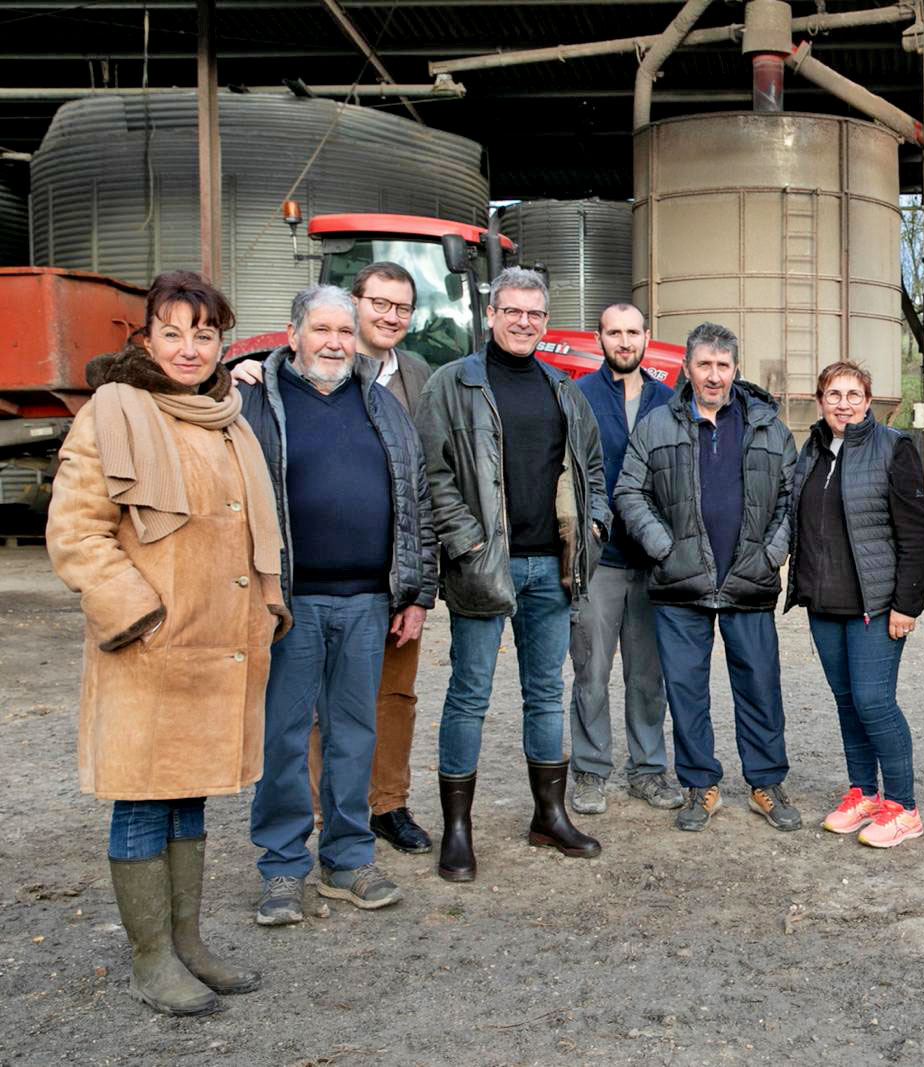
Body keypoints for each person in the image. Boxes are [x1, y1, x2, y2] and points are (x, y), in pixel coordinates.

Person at [47, 271, 288, 1015]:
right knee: (144, 803)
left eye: (204, 333)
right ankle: (151, 957)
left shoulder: (228, 417)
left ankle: (188, 941)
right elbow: (76, 532)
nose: (189, 348)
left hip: (216, 649)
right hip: (151, 652)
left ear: (221, 342)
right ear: (146, 337)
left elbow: (251, 530)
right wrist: (139, 615)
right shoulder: (111, 411)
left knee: (189, 799)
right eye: (174, 332)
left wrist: (268, 606)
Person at [239, 285, 436, 924]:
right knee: (286, 739)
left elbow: (416, 507)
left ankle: (348, 860)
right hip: (289, 605)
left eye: (344, 333)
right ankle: (281, 868)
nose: (334, 343)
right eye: (321, 330)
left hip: (367, 604)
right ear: (292, 334)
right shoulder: (253, 403)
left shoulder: (383, 408)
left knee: (355, 735)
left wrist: (414, 594)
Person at [414, 267, 609, 882]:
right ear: (491, 315)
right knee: (470, 695)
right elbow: (433, 473)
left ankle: (548, 815)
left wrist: (593, 526)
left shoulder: (563, 389)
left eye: (535, 314)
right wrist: (467, 542)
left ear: (544, 323)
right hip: (484, 567)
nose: (524, 322)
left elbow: (592, 470)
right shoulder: (453, 385)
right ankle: (457, 829)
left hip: (552, 569)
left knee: (545, 694)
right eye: (513, 311)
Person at [612, 321, 801, 833]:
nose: (713, 376)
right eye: (704, 365)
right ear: (687, 368)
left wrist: (771, 555)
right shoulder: (656, 425)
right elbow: (630, 493)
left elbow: (792, 498)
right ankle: (701, 785)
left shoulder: (768, 426)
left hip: (749, 581)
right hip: (681, 585)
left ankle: (765, 783)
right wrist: (664, 549)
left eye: (723, 365)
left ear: (735, 369)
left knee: (760, 686)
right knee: (686, 691)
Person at [785, 361, 924, 848]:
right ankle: (864, 793)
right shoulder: (810, 452)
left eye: (854, 394)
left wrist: (907, 604)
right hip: (824, 603)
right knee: (847, 701)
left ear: (869, 401)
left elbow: (916, 533)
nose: (844, 403)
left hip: (876, 604)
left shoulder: (894, 449)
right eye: (834, 394)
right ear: (820, 399)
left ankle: (903, 806)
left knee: (875, 702)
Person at [568, 303, 681, 814]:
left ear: (646, 337)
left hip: (655, 563)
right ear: (600, 339)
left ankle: (649, 770)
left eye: (633, 332)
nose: (624, 340)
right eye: (614, 332)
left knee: (647, 675)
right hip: (600, 560)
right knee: (590, 671)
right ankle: (590, 773)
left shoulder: (669, 400)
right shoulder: (579, 397)